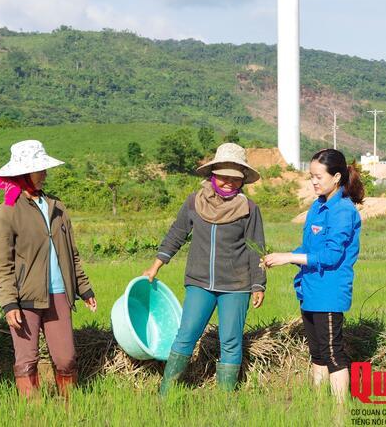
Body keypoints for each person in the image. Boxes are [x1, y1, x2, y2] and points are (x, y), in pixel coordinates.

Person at [143, 142, 266, 394]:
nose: (229, 183)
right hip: (200, 283)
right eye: (224, 177)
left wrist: (258, 285)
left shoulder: (249, 209)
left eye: (235, 179)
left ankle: (225, 398)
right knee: (186, 334)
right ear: (213, 175)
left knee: (230, 341)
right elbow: (176, 234)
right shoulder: (194, 202)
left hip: (236, 286)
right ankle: (167, 392)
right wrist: (155, 266)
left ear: (242, 181)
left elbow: (256, 248)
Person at [0, 140, 96, 398]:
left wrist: (84, 288)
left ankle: (69, 407)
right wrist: (9, 303)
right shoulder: (6, 212)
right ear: (24, 173)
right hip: (25, 297)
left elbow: (71, 254)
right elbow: (2, 263)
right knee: (27, 359)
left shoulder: (57, 207)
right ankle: (33, 413)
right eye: (40, 169)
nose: (45, 173)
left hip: (59, 293)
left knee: (66, 358)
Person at [263, 148, 363, 402]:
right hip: (309, 289)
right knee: (317, 353)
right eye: (311, 176)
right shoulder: (317, 207)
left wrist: (289, 257)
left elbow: (330, 256)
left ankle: (340, 412)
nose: (314, 181)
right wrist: (280, 256)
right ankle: (318, 405)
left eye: (319, 176)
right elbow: (308, 249)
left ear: (337, 177)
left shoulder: (343, 210)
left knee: (332, 353)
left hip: (329, 292)